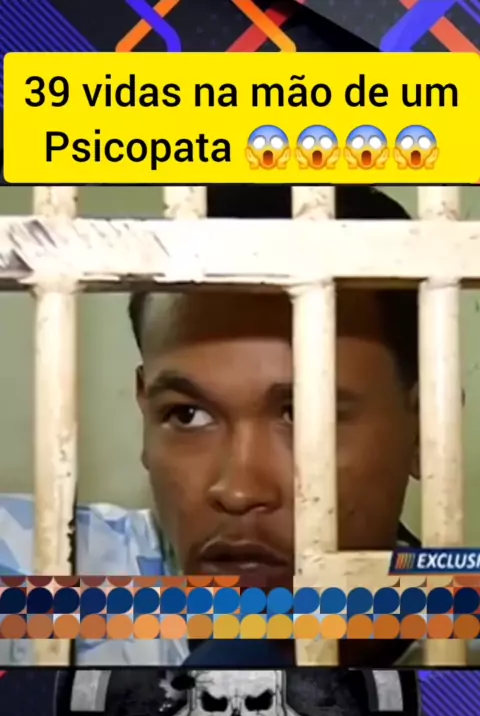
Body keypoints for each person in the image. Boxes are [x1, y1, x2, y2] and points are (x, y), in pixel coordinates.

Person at [0, 185, 426, 666]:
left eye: (303, 415)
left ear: (425, 431)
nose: (238, 491)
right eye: (188, 415)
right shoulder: (38, 573)